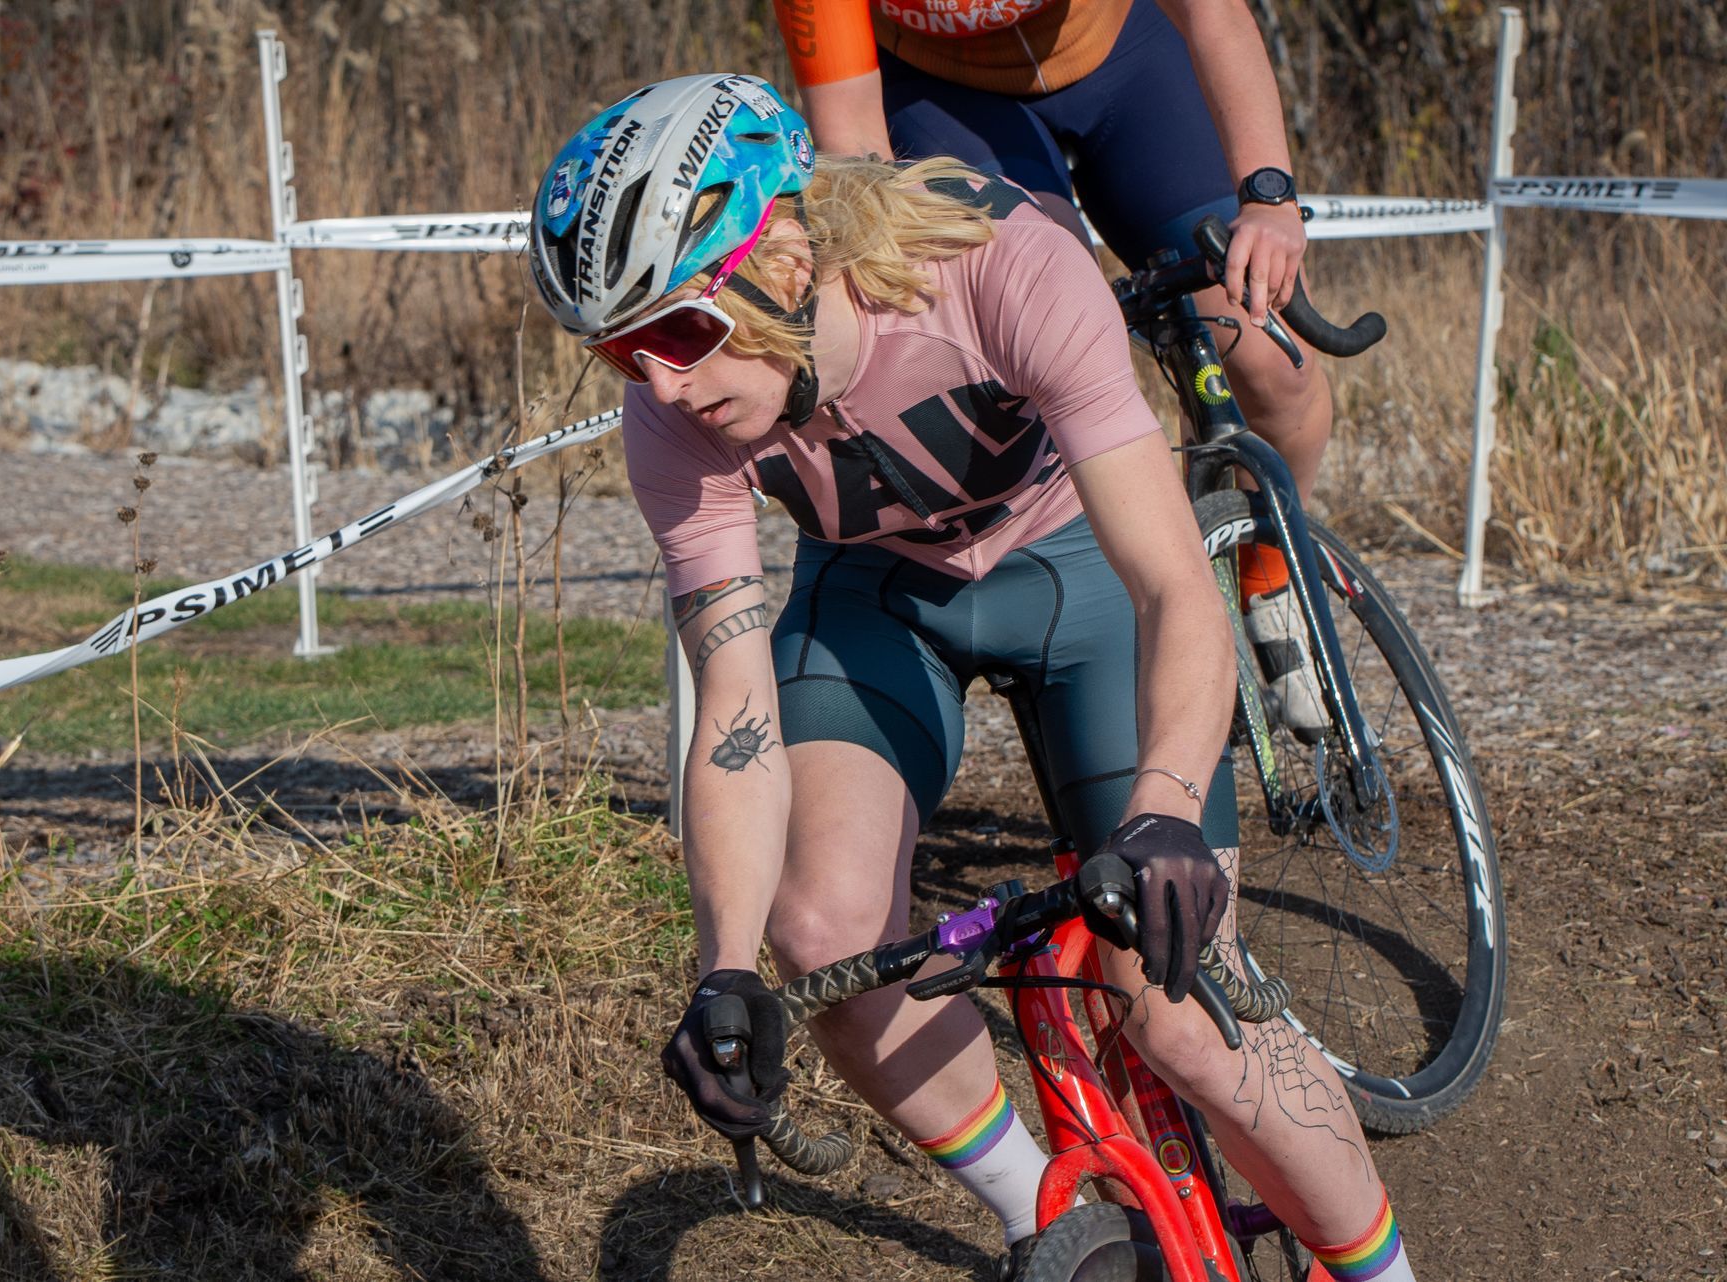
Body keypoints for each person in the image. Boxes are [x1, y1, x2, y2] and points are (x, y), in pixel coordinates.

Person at [527, 74, 1413, 1281]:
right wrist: (721, 969)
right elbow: (735, 711)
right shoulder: (672, 418)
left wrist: (1161, 815)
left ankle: (1383, 1269)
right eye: (622, 354)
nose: (663, 385)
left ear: (786, 247)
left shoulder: (998, 262)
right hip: (881, 591)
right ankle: (1043, 1209)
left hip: (1082, 571)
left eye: (678, 331)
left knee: (1179, 1007)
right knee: (820, 932)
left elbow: (1170, 589)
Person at [769, 0, 1334, 739]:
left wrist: (1268, 197)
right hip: (944, 94)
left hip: (1124, 62)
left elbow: (1216, 16)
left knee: (1275, 365)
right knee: (1044, 348)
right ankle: (1118, 626)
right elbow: (859, 156)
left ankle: (1268, 571)